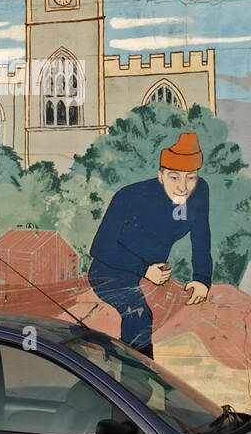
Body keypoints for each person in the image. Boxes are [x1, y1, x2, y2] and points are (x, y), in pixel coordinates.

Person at [87, 132, 211, 357]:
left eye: (190, 177)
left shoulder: (200, 192)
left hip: (152, 275)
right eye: (174, 177)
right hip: (110, 271)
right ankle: (134, 378)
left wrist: (202, 278)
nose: (183, 187)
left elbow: (201, 236)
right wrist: (144, 270)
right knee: (139, 314)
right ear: (161, 175)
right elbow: (100, 246)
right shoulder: (130, 196)